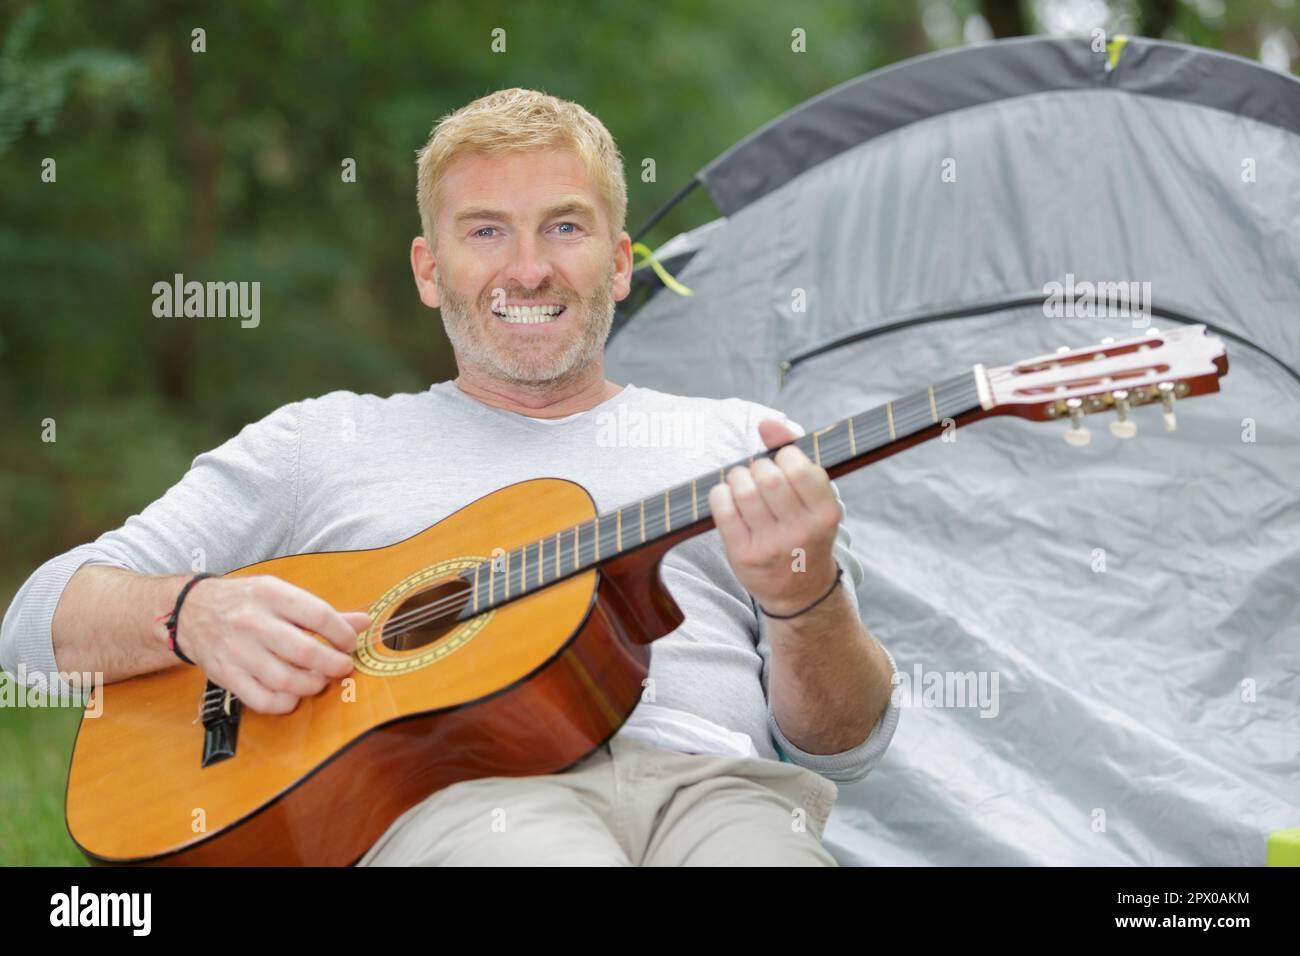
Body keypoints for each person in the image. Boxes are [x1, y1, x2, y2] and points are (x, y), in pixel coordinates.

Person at [1, 88, 900, 866]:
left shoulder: (748, 446)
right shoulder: (320, 441)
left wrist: (805, 595)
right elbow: (33, 626)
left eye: (564, 226)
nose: (529, 267)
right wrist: (194, 612)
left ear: (620, 263)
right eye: (485, 232)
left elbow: (844, 748)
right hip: (458, 793)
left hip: (720, 794)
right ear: (430, 272)